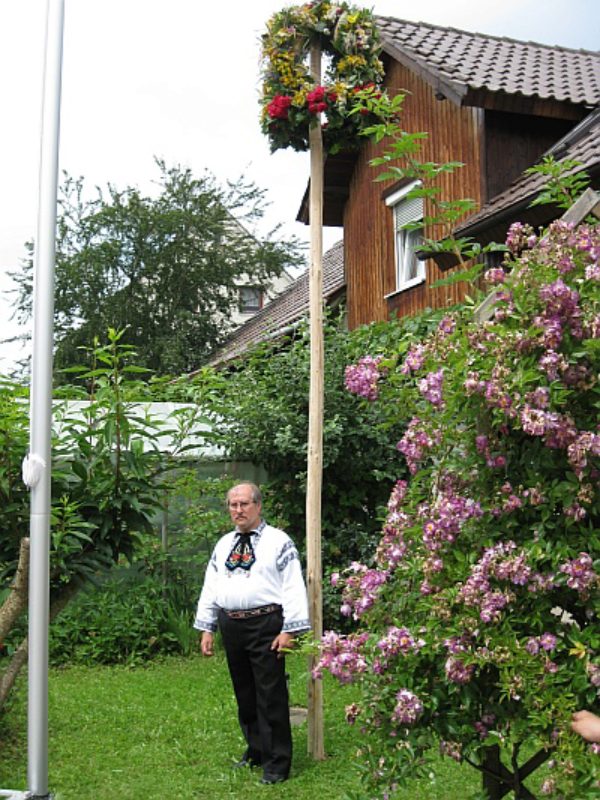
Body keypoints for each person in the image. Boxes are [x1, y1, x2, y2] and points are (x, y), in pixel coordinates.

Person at [194, 481, 310, 785]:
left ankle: (277, 764)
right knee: (245, 694)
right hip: (232, 625)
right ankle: (257, 750)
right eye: (233, 505)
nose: (238, 510)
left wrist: (291, 629)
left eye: (244, 504)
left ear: (258, 506)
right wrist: (208, 626)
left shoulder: (278, 542)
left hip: (266, 625)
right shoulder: (223, 545)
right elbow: (211, 586)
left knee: (270, 694)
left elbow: (294, 585)